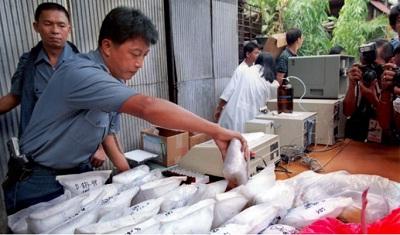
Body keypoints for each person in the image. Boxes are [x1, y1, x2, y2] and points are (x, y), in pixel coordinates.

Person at [4, 7, 249, 214]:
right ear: (107, 46)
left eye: (144, 55)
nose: (139, 64)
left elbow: (106, 132)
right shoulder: (80, 72)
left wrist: (130, 174)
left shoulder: (112, 79)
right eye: (134, 54)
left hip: (76, 175)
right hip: (39, 180)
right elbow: (147, 106)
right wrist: (216, 130)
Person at [0, 3, 108, 170]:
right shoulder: (28, 63)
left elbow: (98, 108)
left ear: (69, 29)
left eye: (61, 25)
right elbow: (15, 96)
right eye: (48, 24)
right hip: (40, 150)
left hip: (77, 150)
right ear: (36, 26)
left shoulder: (84, 64)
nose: (55, 31)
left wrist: (100, 147)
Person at [343, 39, 398, 144]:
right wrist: (352, 85)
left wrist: (373, 99)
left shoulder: (395, 82)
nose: (370, 70)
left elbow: (390, 124)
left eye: (374, 65)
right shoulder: (361, 76)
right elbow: (347, 112)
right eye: (366, 64)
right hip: (358, 145)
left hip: (384, 148)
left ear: (390, 61)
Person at [215, 52, 279, 132]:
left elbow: (229, 91)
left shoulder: (243, 70)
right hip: (250, 120)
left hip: (230, 115)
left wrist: (219, 108)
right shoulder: (271, 83)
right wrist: (267, 113)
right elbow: (265, 107)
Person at [214, 41, 260, 122]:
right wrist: (219, 107)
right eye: (256, 53)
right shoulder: (240, 70)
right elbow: (230, 90)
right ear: (248, 54)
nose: (258, 56)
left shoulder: (254, 69)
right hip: (240, 108)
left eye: (258, 53)